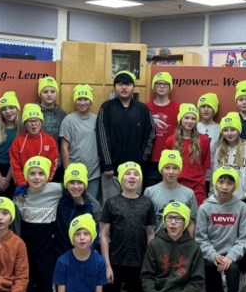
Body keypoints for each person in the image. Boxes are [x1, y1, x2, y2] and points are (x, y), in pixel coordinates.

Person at [195, 167, 246, 292]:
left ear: (235, 186)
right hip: (210, 257)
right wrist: (213, 255)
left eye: (230, 183)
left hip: (231, 257)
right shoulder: (205, 208)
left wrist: (230, 257)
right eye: (221, 182)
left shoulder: (242, 208)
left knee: (232, 269)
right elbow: (201, 239)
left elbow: (244, 238)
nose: (225, 187)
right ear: (214, 184)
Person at [95, 71, 155, 202]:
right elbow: (102, 135)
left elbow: (150, 134)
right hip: (111, 171)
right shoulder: (107, 107)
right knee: (111, 206)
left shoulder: (143, 109)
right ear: (115, 87)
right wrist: (107, 164)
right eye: (120, 84)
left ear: (133, 87)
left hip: (135, 169)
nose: (124, 87)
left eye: (127, 84)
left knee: (133, 206)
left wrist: (141, 159)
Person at [100, 162, 155, 292]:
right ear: (121, 178)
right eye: (128, 173)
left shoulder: (147, 203)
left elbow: (150, 233)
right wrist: (107, 265)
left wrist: (150, 263)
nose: (132, 177)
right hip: (115, 263)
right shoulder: (111, 202)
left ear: (140, 179)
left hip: (139, 263)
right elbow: (104, 235)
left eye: (136, 174)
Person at [16, 156, 62, 292]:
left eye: (41, 173)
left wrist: (97, 211)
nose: (37, 177)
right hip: (27, 251)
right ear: (26, 175)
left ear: (47, 175)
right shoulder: (20, 196)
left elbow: (78, 188)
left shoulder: (55, 189)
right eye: (32, 173)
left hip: (47, 250)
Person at [141, 202, 204, 292]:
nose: (173, 222)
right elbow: (147, 276)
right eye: (169, 217)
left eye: (178, 219)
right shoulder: (155, 244)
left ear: (186, 222)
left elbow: (197, 281)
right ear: (164, 221)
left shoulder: (194, 248)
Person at [59, 84, 101, 202]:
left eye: (85, 99)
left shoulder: (97, 119)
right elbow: (64, 147)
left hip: (93, 172)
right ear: (75, 101)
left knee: (90, 204)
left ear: (90, 101)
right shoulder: (68, 120)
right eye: (79, 99)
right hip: (74, 173)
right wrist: (68, 172)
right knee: (74, 204)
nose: (82, 102)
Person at [163, 103, 211, 205]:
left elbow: (205, 167)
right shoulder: (170, 141)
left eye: (193, 118)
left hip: (197, 187)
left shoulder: (204, 140)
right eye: (186, 118)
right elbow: (165, 167)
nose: (190, 121)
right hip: (177, 185)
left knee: (196, 218)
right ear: (180, 119)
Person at [54, 213, 107, 292]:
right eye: (77, 234)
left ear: (92, 237)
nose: (82, 238)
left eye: (86, 233)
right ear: (72, 238)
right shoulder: (62, 261)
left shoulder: (100, 262)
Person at [144, 149, 200, 235]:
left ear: (180, 170)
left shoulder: (189, 193)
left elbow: (192, 221)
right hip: (157, 243)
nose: (171, 172)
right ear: (161, 169)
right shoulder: (150, 192)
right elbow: (147, 223)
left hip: (181, 244)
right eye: (167, 168)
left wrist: (187, 242)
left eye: (175, 168)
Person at [54, 162, 102, 257]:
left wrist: (87, 252)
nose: (76, 186)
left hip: (82, 256)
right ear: (66, 185)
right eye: (72, 182)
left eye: (80, 182)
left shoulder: (92, 207)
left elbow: (95, 235)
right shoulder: (61, 202)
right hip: (60, 255)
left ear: (85, 184)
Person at [10, 103, 59, 188]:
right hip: (24, 187)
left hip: (45, 185)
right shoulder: (17, 142)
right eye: (30, 121)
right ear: (25, 123)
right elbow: (15, 167)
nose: (33, 124)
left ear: (41, 122)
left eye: (36, 120)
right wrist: (22, 185)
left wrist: (44, 182)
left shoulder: (50, 141)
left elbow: (53, 164)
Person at [145, 71, 178, 188]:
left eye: (165, 84)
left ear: (170, 87)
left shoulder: (178, 108)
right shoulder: (145, 107)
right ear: (154, 87)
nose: (162, 86)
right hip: (150, 160)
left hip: (171, 161)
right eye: (158, 83)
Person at [0, 91, 22, 198]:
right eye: (4, 109)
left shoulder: (23, 129)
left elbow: (17, 156)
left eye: (11, 108)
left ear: (17, 109)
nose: (8, 111)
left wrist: (8, 179)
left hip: (15, 168)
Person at [196, 93, 221, 185]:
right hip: (196, 174)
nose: (206, 109)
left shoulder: (220, 129)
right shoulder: (193, 127)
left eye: (209, 107)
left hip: (212, 175)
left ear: (214, 109)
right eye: (203, 106)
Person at [37, 76, 67, 148]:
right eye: (45, 92)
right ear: (40, 94)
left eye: (52, 91)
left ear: (56, 93)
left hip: (56, 155)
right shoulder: (34, 112)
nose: (49, 94)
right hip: (38, 154)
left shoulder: (62, 114)